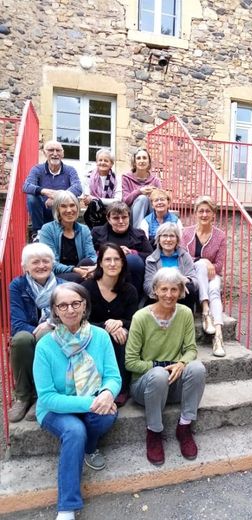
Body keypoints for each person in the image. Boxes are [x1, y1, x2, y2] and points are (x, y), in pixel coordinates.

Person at [33, 283, 121, 520]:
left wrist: (107, 393)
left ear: (85, 306)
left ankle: (89, 448)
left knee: (107, 416)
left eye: (76, 303)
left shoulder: (100, 336)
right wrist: (92, 402)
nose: (70, 309)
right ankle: (67, 507)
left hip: (94, 399)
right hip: (55, 409)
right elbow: (48, 397)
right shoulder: (45, 346)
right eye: (63, 305)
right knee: (74, 430)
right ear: (55, 310)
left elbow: (113, 376)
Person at [125, 268, 206, 466]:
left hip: (173, 383)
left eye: (174, 290)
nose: (169, 295)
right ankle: (154, 432)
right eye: (164, 289)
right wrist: (161, 367)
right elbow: (130, 361)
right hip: (146, 387)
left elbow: (190, 350)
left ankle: (184, 426)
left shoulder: (185, 313)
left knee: (197, 368)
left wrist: (181, 363)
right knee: (160, 374)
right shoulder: (141, 317)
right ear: (155, 290)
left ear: (180, 292)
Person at [8, 243, 64, 423]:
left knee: (47, 337)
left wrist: (49, 323)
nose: (41, 266)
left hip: (53, 332)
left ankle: (42, 395)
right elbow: (17, 323)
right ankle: (23, 397)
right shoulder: (17, 286)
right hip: (27, 331)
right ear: (25, 266)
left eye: (46, 261)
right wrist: (36, 331)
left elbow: (67, 319)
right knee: (21, 339)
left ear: (52, 263)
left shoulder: (63, 286)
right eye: (35, 262)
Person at [82, 243, 138, 407]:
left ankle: (121, 388)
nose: (112, 264)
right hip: (91, 334)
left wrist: (120, 323)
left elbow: (134, 319)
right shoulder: (87, 288)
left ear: (122, 263)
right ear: (100, 263)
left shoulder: (129, 290)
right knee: (111, 334)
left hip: (120, 335)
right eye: (107, 259)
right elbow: (81, 321)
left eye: (117, 259)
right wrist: (106, 326)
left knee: (122, 336)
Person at [182, 195, 227, 357]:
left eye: (208, 211)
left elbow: (220, 265)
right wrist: (204, 261)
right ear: (195, 213)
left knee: (214, 289)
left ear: (213, 214)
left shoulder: (220, 235)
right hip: (191, 275)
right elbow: (184, 259)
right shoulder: (185, 233)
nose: (204, 215)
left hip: (212, 275)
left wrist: (209, 265)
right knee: (200, 265)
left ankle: (218, 335)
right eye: (201, 211)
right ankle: (205, 310)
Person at [91, 201, 153, 299]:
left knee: (133, 260)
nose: (121, 221)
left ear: (129, 217)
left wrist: (132, 252)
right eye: (116, 218)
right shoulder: (96, 232)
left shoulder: (139, 234)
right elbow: (90, 253)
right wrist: (111, 253)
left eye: (124, 217)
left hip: (131, 275)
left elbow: (150, 255)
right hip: (105, 272)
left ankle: (133, 299)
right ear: (108, 218)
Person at [22, 140, 82, 235]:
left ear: (62, 154)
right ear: (44, 153)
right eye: (51, 150)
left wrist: (57, 197)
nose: (55, 154)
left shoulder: (70, 170)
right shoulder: (37, 169)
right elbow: (26, 186)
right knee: (31, 198)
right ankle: (38, 232)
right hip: (43, 210)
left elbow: (78, 188)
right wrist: (45, 191)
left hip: (62, 209)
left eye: (58, 150)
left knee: (74, 198)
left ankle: (67, 230)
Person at [39, 191, 96, 282]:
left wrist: (89, 269)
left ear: (77, 208)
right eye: (63, 206)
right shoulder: (48, 229)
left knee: (88, 263)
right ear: (57, 210)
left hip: (81, 272)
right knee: (79, 277)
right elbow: (51, 264)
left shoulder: (84, 229)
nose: (69, 210)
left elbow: (92, 256)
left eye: (72, 205)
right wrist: (74, 269)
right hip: (57, 275)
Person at [144, 222, 198, 310]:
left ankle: (186, 318)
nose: (168, 239)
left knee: (189, 287)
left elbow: (195, 281)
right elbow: (148, 286)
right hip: (160, 297)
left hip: (180, 296)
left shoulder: (185, 256)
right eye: (164, 236)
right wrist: (164, 288)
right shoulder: (151, 260)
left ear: (177, 239)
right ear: (159, 239)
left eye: (172, 236)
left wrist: (184, 280)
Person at [122, 147, 162, 228]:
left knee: (152, 200)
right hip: (132, 215)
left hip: (151, 212)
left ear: (149, 162)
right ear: (134, 162)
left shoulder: (155, 180)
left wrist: (153, 195)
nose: (142, 161)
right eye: (138, 158)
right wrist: (139, 191)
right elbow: (125, 201)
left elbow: (161, 199)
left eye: (144, 158)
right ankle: (136, 233)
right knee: (143, 198)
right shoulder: (126, 177)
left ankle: (153, 231)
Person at [81, 148, 122, 228]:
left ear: (111, 164)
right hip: (93, 212)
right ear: (96, 162)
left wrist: (97, 200)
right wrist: (95, 201)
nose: (102, 163)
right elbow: (87, 198)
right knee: (94, 204)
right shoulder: (88, 177)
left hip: (111, 210)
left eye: (106, 161)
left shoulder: (117, 178)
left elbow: (118, 200)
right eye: (100, 160)